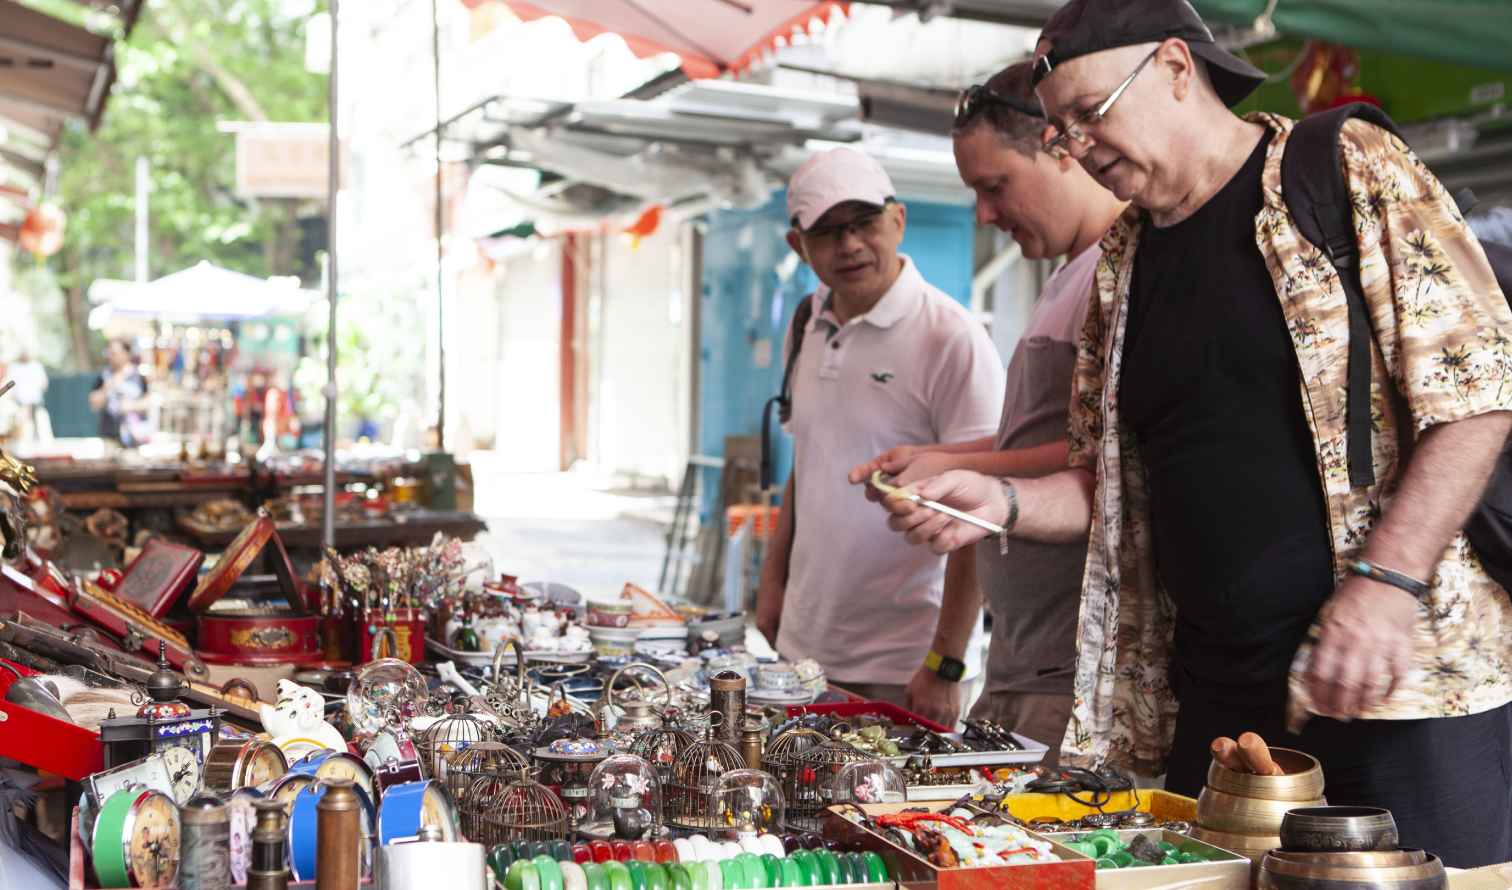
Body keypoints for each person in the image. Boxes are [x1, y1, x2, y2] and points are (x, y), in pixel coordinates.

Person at [868, 0, 1512, 867]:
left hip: (1396, 683)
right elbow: (1113, 485)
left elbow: (1477, 394)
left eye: (1089, 115)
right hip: (1213, 703)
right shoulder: (1124, 265)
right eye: (1059, 133)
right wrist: (1000, 501)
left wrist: (1385, 584)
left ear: (1176, 67)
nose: (1080, 148)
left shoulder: (1341, 168)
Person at [847, 61, 1126, 746]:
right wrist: (940, 458)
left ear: (1064, 150)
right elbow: (1050, 437)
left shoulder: (1118, 273)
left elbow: (1109, 457)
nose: (984, 214)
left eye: (995, 186)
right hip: (1022, 660)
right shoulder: (1069, 273)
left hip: (1069, 670)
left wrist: (976, 481)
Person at [755, 146, 1005, 709]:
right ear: (799, 246)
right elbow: (809, 462)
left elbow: (979, 513)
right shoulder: (806, 323)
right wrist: (772, 589)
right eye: (827, 232)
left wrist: (946, 663)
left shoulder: (952, 338)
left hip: (905, 662)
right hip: (803, 652)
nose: (849, 246)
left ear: (898, 220)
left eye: (864, 223)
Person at [88, 339, 152, 448]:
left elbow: (149, 401)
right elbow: (93, 403)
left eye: (115, 353)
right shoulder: (104, 376)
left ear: (126, 354)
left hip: (135, 436)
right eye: (109, 353)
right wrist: (109, 386)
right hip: (109, 436)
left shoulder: (138, 375)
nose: (111, 356)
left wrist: (132, 406)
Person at [8, 350, 49, 441]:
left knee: (36, 419)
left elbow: (43, 382)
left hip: (34, 398)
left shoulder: (36, 366)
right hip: (20, 399)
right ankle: (19, 437)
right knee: (20, 419)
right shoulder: (14, 367)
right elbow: (11, 382)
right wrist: (13, 395)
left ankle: (36, 436)